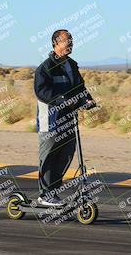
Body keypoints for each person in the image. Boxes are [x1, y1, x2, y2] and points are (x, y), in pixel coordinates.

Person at [34, 29, 95, 206]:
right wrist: (63, 101)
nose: (70, 44)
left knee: (66, 154)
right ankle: (45, 194)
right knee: (49, 156)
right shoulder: (45, 67)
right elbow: (41, 92)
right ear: (55, 43)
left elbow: (80, 87)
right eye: (66, 41)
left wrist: (87, 99)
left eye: (71, 41)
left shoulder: (72, 65)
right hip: (51, 120)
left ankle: (52, 192)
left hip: (69, 118)